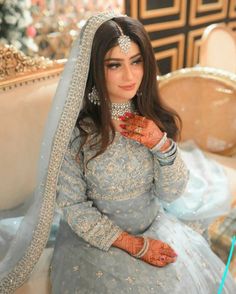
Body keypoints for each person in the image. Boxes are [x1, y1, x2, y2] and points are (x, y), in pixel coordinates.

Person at [47, 11, 236, 294]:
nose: (130, 76)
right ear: (94, 70)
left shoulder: (154, 120)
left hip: (155, 224)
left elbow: (170, 195)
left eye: (136, 61)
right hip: (97, 242)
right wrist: (136, 245)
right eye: (114, 65)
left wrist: (161, 146)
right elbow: (73, 207)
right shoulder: (77, 134)